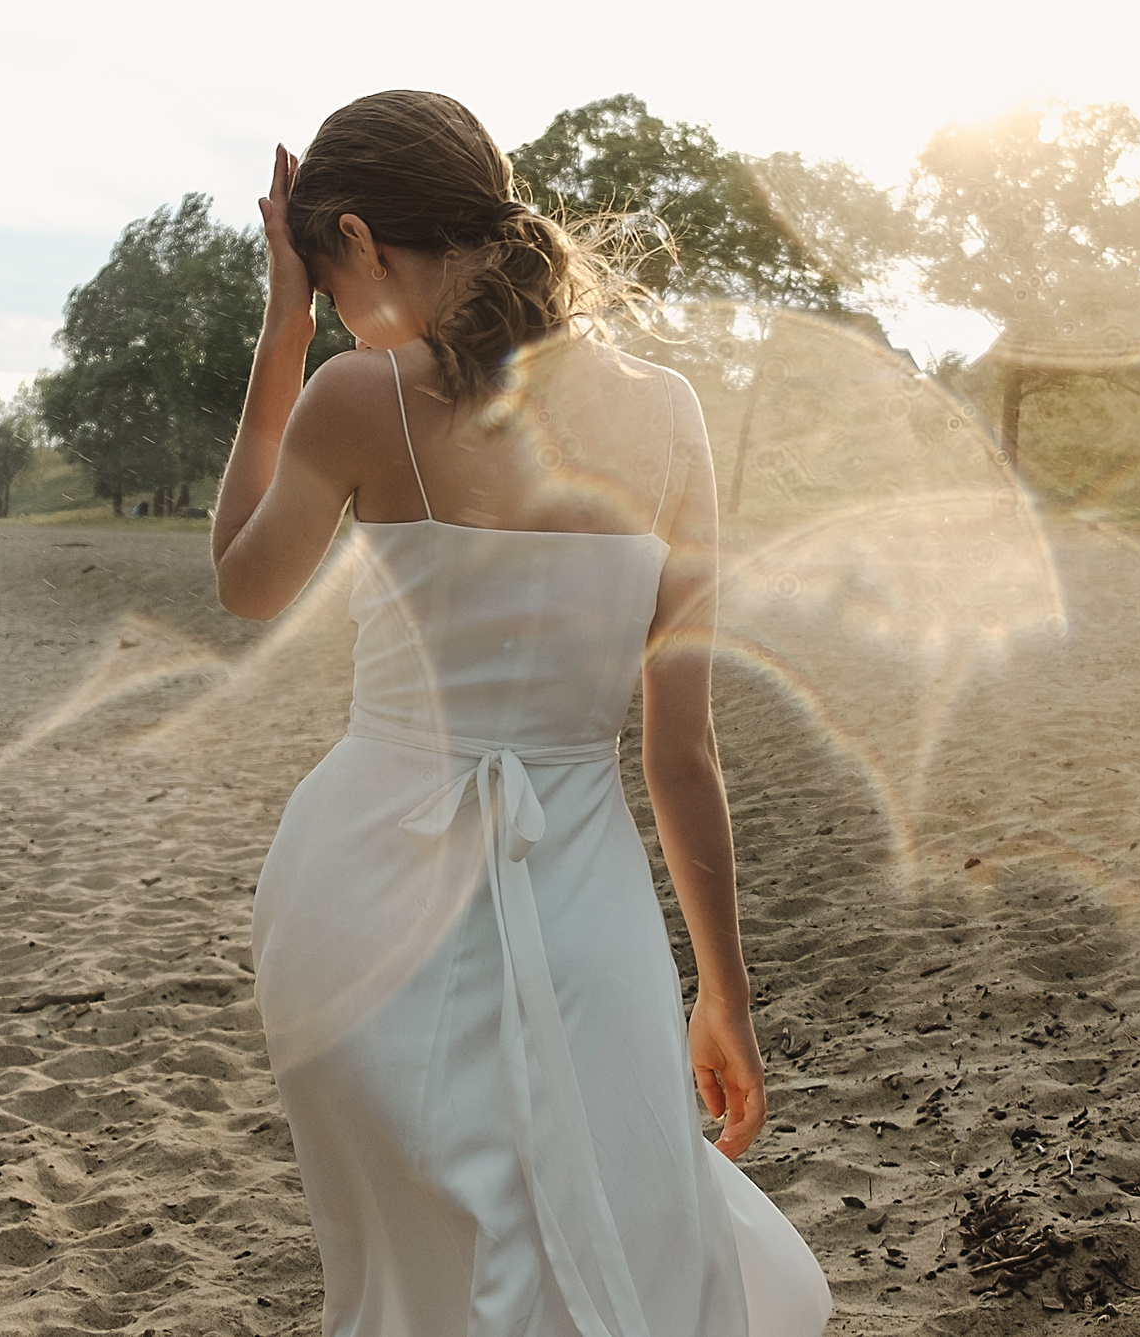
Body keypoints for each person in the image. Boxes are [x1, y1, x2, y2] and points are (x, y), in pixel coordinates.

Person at [210, 90, 831, 1337]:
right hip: (585, 885)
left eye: (327, 281)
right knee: (631, 1235)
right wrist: (724, 996)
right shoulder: (668, 416)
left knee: (429, 1268)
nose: (332, 309)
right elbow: (681, 747)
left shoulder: (354, 396)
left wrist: (282, 332)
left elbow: (242, 579)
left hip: (360, 891)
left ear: (356, 240)